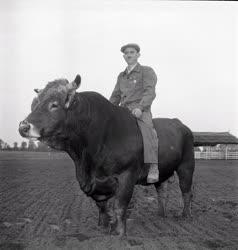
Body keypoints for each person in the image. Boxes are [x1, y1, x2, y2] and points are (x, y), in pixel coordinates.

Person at [109, 43, 159, 183]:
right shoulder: (121, 76)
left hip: (141, 110)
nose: (129, 55)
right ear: (124, 56)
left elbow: (150, 92)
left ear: (138, 55)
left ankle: (153, 166)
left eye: (132, 52)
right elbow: (115, 96)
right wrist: (108, 110)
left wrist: (140, 108)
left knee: (148, 131)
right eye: (126, 53)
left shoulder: (146, 71)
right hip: (123, 110)